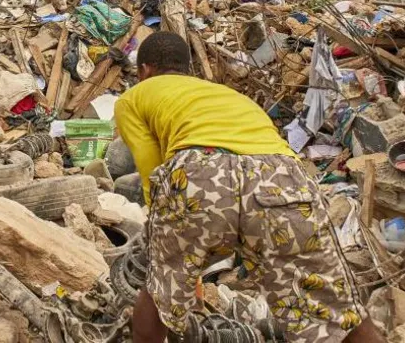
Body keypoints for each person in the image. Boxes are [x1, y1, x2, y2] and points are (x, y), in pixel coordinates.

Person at [114, 32, 384, 343]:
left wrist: (168, 246)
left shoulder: (135, 96)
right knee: (335, 308)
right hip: (282, 177)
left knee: (160, 294)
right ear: (188, 69)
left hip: (201, 171)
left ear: (144, 70)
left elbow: (153, 171)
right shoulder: (226, 94)